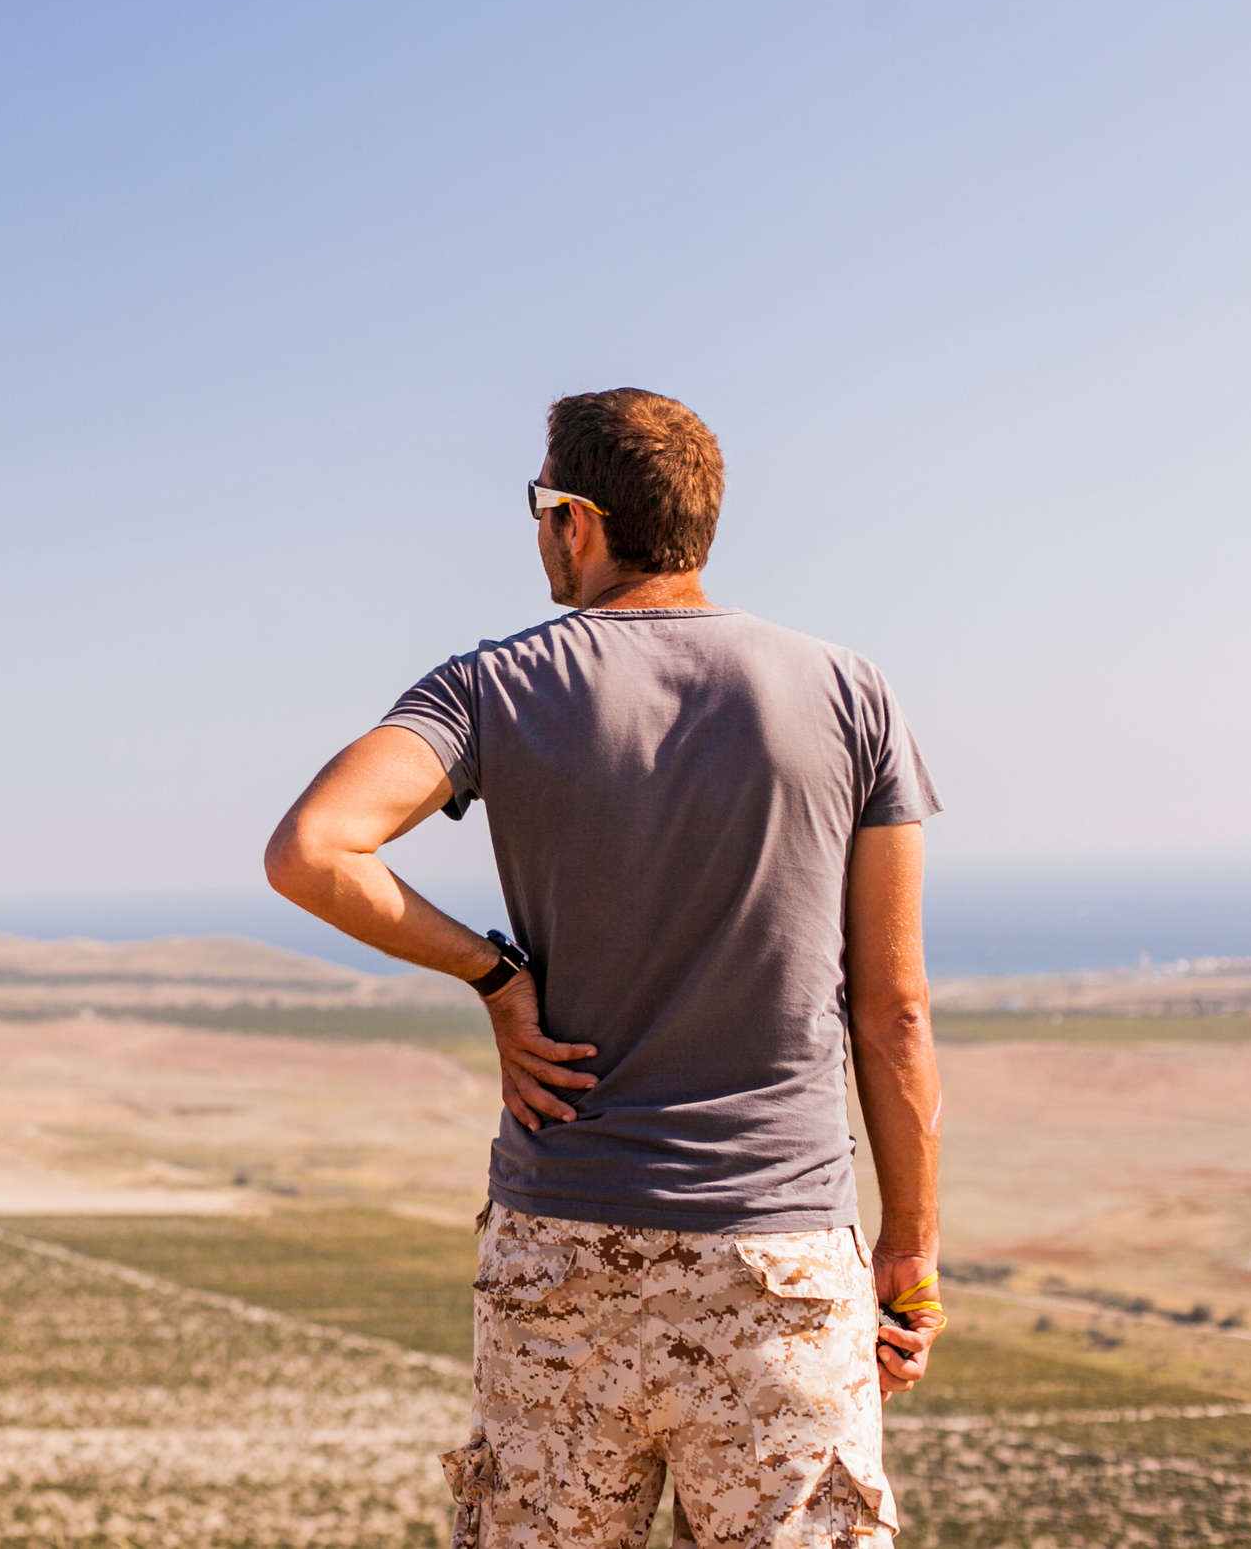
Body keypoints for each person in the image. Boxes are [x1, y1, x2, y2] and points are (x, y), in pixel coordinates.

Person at [264, 389, 944, 1548]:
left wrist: (493, 976)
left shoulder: (488, 689)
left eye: (538, 508)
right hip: (777, 1260)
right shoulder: (849, 694)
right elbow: (893, 1013)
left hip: (561, 1263)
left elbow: (311, 851)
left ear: (575, 521)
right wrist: (910, 1258)